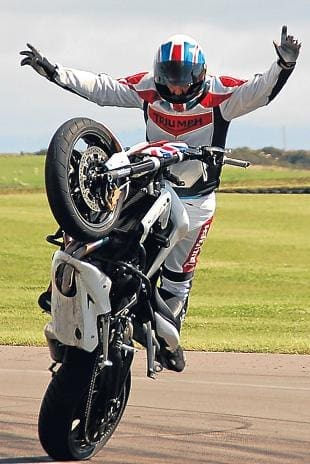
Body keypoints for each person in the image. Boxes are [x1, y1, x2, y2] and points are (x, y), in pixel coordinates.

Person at [20, 26, 300, 372]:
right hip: (149, 182)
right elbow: (105, 88)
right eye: (168, 79)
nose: (175, 87)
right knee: (98, 217)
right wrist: (55, 71)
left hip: (196, 198)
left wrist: (283, 65)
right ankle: (65, 277)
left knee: (178, 275)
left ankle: (170, 333)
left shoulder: (221, 94)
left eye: (182, 80)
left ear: (199, 75)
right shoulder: (148, 89)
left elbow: (258, 91)